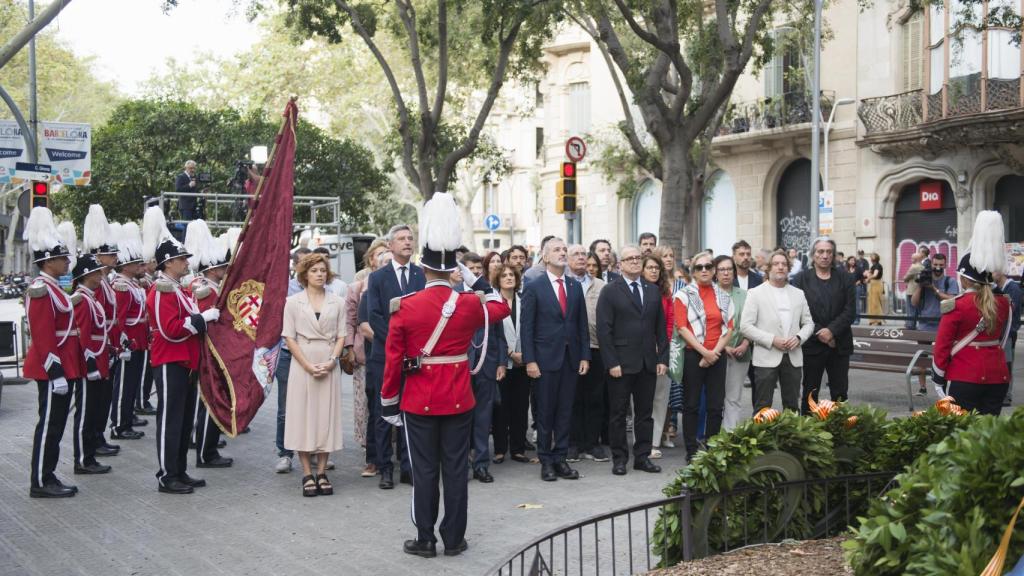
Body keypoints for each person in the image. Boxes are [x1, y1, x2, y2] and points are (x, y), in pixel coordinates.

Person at [379, 191, 510, 558]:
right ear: (453, 267)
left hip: (419, 400)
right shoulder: (468, 303)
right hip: (458, 397)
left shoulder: (405, 306)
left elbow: (393, 361)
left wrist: (389, 402)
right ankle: (454, 539)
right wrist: (471, 277)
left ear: (422, 267)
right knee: (455, 470)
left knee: (424, 472)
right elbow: (501, 306)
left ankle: (425, 539)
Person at [143, 206, 220, 495]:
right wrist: (202, 319)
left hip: (185, 362)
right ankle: (167, 475)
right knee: (170, 420)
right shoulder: (163, 289)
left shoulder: (179, 289)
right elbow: (169, 329)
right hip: (169, 360)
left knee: (185, 419)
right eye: (181, 259)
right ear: (169, 263)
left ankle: (179, 470)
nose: (186, 262)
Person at [520, 237, 590, 482]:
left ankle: (561, 459)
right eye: (557, 250)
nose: (562, 253)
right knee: (545, 413)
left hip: (570, 360)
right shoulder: (533, 285)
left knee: (565, 412)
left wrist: (584, 355)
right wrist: (530, 360)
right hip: (544, 361)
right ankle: (546, 461)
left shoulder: (573, 286)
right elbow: (526, 327)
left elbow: (581, 324)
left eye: (564, 249)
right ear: (545, 257)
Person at [25, 207, 83, 498]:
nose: (66, 262)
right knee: (48, 424)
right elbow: (43, 336)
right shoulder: (41, 289)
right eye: (61, 258)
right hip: (52, 368)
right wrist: (55, 371)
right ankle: (39, 481)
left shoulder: (56, 289)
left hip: (65, 365)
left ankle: (48, 475)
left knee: (57, 424)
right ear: (48, 261)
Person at [595, 245, 668, 475]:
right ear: (621, 264)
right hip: (621, 363)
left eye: (638, 258)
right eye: (630, 259)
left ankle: (642, 457)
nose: (635, 262)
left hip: (647, 361)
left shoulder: (652, 290)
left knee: (645, 414)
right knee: (618, 413)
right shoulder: (610, 290)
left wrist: (662, 358)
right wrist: (611, 363)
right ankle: (619, 459)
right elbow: (604, 331)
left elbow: (661, 329)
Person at [931, 211, 1012, 415]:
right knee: (988, 435)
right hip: (998, 376)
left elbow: (942, 346)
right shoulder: (1004, 302)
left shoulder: (956, 305)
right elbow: (1003, 340)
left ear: (965, 279)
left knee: (962, 437)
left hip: (964, 377)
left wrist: (938, 378)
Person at [282, 253, 347, 497]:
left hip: (328, 361)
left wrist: (333, 361)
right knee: (302, 416)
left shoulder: (337, 301)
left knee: (325, 416)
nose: (319, 274)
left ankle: (322, 471)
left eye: (322, 270)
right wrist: (307, 365)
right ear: (304, 274)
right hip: (302, 362)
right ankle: (306, 472)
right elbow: (289, 336)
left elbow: (342, 335)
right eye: (314, 270)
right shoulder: (292, 302)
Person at [365, 224, 425, 489]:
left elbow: (426, 314)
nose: (407, 242)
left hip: (414, 356)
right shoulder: (378, 278)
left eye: (410, 238)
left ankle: (407, 465)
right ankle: (385, 467)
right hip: (385, 355)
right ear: (390, 245)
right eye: (401, 239)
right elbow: (375, 316)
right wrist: (396, 340)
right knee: (383, 412)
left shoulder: (422, 276)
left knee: (409, 411)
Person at [673, 251, 733, 462]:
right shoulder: (683, 295)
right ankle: (691, 450)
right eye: (700, 267)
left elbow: (730, 329)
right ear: (693, 272)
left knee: (716, 405)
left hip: (717, 355)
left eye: (709, 266)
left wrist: (713, 353)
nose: (705, 270)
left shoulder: (723, 296)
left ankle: (713, 446)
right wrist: (704, 352)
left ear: (714, 270)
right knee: (691, 404)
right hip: (693, 356)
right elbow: (681, 327)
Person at [185, 221, 234, 469]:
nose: (226, 268)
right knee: (208, 402)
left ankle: (209, 448)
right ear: (212, 269)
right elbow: (208, 328)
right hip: (209, 355)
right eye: (222, 265)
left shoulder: (212, 288)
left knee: (211, 401)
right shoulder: (208, 292)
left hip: (213, 355)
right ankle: (206, 452)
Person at [741, 250, 815, 412]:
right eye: (776, 264)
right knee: (762, 407)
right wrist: (772, 339)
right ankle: (762, 438)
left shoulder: (799, 294)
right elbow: (745, 326)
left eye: (784, 264)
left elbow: (809, 323)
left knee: (792, 406)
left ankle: (791, 438)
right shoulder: (756, 293)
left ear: (789, 268)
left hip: (793, 355)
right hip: (766, 356)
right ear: (768, 268)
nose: (780, 267)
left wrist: (799, 337)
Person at [791, 237, 857, 413]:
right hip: (812, 345)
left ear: (833, 255)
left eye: (829, 252)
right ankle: (808, 431)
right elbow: (799, 312)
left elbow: (850, 311)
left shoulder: (846, 278)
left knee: (840, 392)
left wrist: (832, 331)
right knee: (810, 392)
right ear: (813, 255)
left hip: (839, 343)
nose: (825, 256)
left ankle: (841, 430)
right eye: (820, 252)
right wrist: (820, 331)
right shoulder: (800, 279)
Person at [343, 238, 389, 478]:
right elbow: (353, 320)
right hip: (367, 353)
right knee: (369, 407)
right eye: (380, 255)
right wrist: (349, 348)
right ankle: (372, 455)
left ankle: (390, 454)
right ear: (372, 260)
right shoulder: (359, 287)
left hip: (394, 355)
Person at [70, 254, 114, 476]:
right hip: (90, 363)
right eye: (96, 272)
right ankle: (82, 459)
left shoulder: (91, 298)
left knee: (94, 411)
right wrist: (91, 364)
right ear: (86, 275)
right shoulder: (82, 299)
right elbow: (82, 336)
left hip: (99, 359)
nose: (100, 276)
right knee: (85, 414)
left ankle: (89, 455)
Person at [273, 248, 314, 474]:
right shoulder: (285, 289)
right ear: (296, 266)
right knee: (286, 407)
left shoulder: (325, 289)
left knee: (315, 404)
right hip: (289, 353)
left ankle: (316, 451)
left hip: (315, 354)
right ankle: (285, 454)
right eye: (306, 263)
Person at [566, 244, 607, 463]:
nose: (581, 258)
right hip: (569, 349)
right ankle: (573, 443)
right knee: (572, 398)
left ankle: (592, 443)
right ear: (568, 260)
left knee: (594, 398)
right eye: (577, 255)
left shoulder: (601, 285)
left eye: (584, 254)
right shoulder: (563, 283)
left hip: (596, 347)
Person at [110, 223, 148, 455]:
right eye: (135, 263)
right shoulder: (121, 286)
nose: (139, 266)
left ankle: (127, 419)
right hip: (129, 340)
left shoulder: (132, 284)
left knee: (132, 383)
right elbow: (120, 318)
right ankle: (118, 424)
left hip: (138, 339)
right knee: (123, 384)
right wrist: (122, 343)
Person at [492, 264, 531, 463]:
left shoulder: (523, 301)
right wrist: (509, 353)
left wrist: (523, 355)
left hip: (523, 362)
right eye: (504, 275)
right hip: (502, 362)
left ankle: (518, 449)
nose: (508, 278)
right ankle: (500, 449)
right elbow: (493, 334)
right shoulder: (492, 302)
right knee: (501, 408)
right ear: (497, 280)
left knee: (521, 406)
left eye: (511, 275)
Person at [642, 252, 675, 458]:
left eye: (657, 268)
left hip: (662, 351)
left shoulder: (665, 293)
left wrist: (661, 345)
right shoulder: (635, 290)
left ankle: (654, 442)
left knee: (660, 398)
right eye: (650, 267)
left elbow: (670, 322)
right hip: (641, 352)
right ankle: (641, 441)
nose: (654, 271)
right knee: (642, 400)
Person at [714, 255, 753, 429]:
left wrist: (745, 343)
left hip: (741, 352)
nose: (726, 273)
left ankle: (730, 437)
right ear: (715, 272)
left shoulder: (745, 295)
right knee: (715, 398)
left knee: (734, 397)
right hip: (715, 353)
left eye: (729, 269)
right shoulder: (708, 294)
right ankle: (712, 435)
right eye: (722, 269)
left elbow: (752, 323)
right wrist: (724, 347)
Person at [993, 271, 1021, 406]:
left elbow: (1011, 310)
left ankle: (1007, 395)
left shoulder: (1013, 288)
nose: (991, 274)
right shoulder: (995, 287)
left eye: (993, 271)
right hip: (998, 332)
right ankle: (999, 393)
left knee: (1007, 364)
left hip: (1008, 333)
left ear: (1001, 271)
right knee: (999, 364)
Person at [912, 253, 958, 331]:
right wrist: (920, 285)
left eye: (941, 265)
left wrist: (933, 288)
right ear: (931, 265)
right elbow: (914, 302)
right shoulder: (925, 279)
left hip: (944, 323)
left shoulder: (950, 281)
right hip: (925, 324)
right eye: (935, 264)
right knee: (923, 343)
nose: (938, 267)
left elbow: (952, 301)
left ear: (945, 265)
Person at [902, 252, 925, 329]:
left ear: (915, 259)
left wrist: (904, 278)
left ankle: (910, 325)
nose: (911, 259)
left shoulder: (914, 267)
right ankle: (916, 324)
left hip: (911, 290)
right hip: (918, 290)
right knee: (917, 309)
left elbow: (906, 277)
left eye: (912, 258)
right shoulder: (922, 266)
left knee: (911, 309)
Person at [865, 253, 884, 325]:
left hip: (876, 284)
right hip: (873, 284)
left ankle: (877, 320)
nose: (870, 258)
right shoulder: (874, 266)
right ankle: (873, 319)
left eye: (872, 257)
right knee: (872, 302)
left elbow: (875, 275)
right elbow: (870, 273)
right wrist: (867, 274)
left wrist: (868, 278)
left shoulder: (877, 266)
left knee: (875, 303)